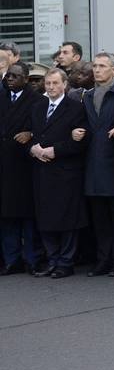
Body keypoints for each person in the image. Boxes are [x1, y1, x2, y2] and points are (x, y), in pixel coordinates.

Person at [29, 67, 88, 278]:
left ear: (64, 85)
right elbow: (32, 134)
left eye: (55, 83)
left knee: (67, 219)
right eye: (48, 84)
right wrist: (34, 148)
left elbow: (81, 141)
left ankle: (66, 261)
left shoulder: (75, 108)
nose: (51, 87)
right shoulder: (38, 106)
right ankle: (52, 259)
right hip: (42, 169)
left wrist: (56, 150)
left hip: (65, 171)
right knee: (45, 218)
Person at [82, 52, 114, 276]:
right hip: (93, 165)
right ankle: (103, 259)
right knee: (99, 218)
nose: (97, 70)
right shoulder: (87, 96)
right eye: (95, 66)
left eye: (102, 66)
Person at [0, 62, 41, 274]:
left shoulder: (36, 100)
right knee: (7, 215)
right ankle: (11, 259)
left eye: (15, 76)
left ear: (26, 79)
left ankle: (31, 259)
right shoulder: (2, 98)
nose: (10, 80)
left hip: (25, 165)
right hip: (5, 164)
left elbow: (45, 126)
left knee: (28, 216)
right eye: (8, 76)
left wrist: (31, 133)